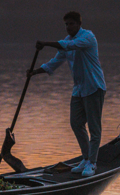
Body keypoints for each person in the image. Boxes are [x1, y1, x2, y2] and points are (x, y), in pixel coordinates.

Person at [28, 11, 106, 177]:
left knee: (94, 128)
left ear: (78, 24)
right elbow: (55, 62)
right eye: (66, 24)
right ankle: (86, 158)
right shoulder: (67, 41)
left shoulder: (87, 37)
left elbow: (69, 46)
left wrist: (46, 43)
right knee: (76, 123)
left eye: (71, 24)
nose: (68, 27)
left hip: (94, 87)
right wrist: (35, 72)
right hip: (79, 89)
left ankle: (92, 163)